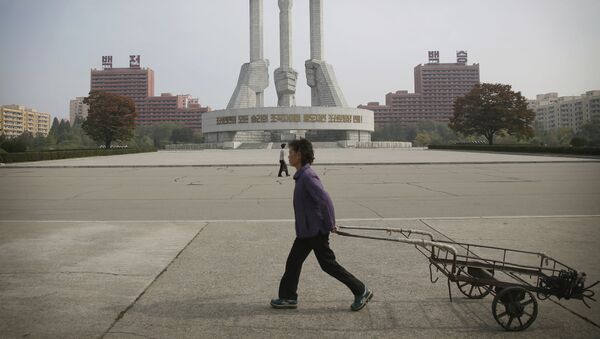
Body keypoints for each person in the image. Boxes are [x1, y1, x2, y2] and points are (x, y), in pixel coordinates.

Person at [270, 139, 372, 311]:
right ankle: (288, 297)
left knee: (328, 265)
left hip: (315, 231)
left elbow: (325, 200)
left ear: (299, 155)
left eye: (291, 153)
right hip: (306, 231)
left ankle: (361, 290)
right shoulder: (302, 175)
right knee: (293, 262)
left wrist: (331, 223)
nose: (288, 156)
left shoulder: (308, 176)